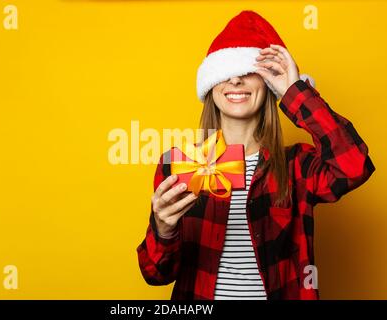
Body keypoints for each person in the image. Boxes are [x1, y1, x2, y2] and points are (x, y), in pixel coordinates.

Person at [136, 10, 375, 300]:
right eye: (225, 73)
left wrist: (295, 92)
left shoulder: (297, 167)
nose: (236, 80)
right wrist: (162, 229)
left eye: (248, 71)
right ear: (211, 87)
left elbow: (354, 165)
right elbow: (156, 275)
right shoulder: (177, 166)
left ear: (268, 84)